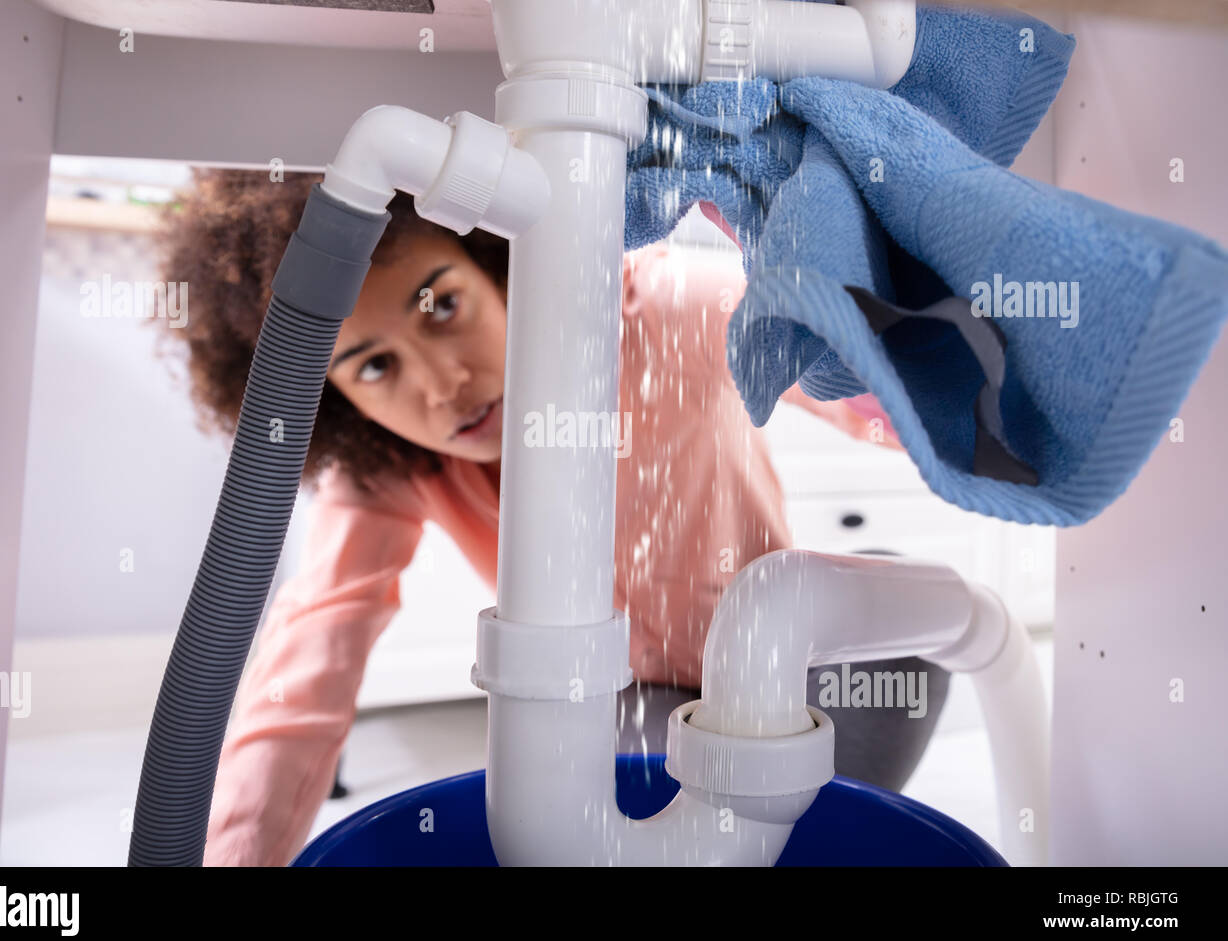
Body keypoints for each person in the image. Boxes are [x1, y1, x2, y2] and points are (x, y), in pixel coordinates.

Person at [151, 170, 948, 867]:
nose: (443, 384)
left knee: (894, 657)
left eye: (442, 306)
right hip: (633, 704)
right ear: (340, 404)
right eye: (374, 365)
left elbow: (868, 381)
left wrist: (987, 403)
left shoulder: (667, 309)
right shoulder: (390, 468)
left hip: (790, 669)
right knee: (627, 791)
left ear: (500, 264)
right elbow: (308, 660)